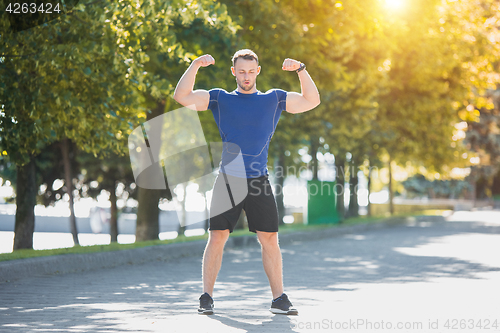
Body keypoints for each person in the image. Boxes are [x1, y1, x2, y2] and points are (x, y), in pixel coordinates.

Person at [173, 49, 320, 315]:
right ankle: (206, 297)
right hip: (228, 179)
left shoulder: (273, 99)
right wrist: (194, 65)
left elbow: (311, 100)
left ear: (258, 71)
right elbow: (181, 96)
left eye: (251, 71)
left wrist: (300, 69)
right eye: (241, 71)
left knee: (270, 239)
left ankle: (279, 300)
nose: (246, 76)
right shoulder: (220, 98)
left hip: (258, 180)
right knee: (217, 236)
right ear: (234, 72)